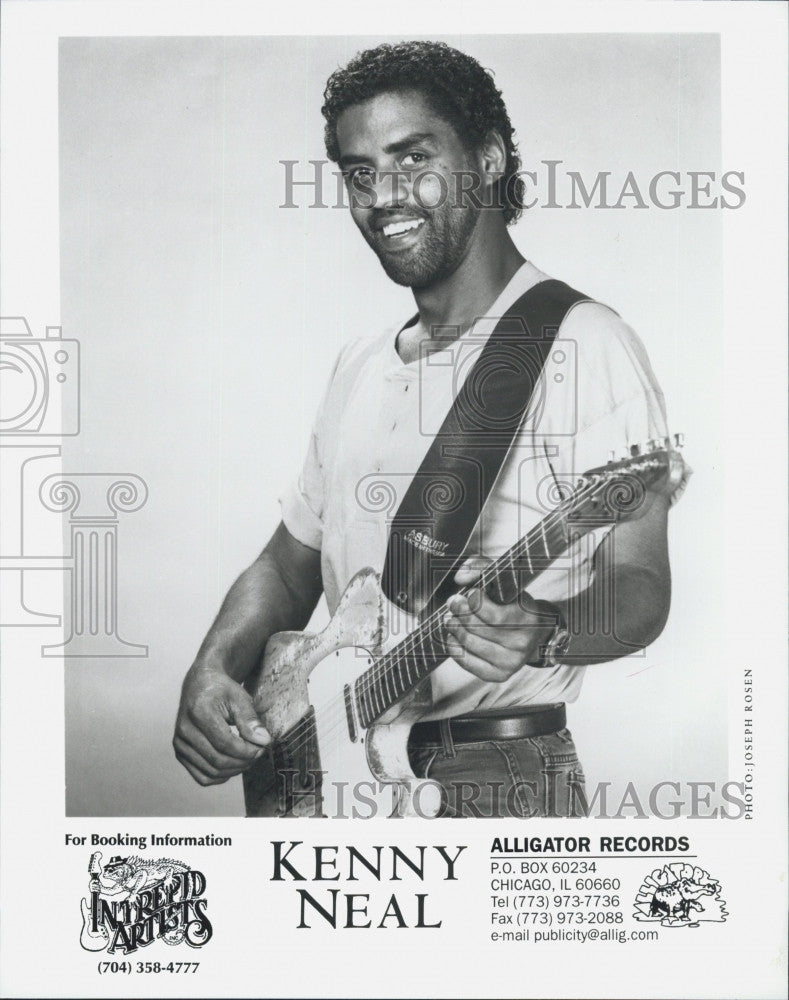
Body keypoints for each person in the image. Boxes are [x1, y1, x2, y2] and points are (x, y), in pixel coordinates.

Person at [173, 40, 686, 817]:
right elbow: (286, 569)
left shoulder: (580, 342)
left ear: (485, 159)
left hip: (493, 776)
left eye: (412, 158)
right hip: (337, 787)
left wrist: (544, 630)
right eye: (358, 172)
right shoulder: (359, 362)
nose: (383, 195)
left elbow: (639, 584)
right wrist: (212, 670)